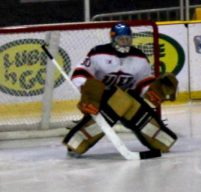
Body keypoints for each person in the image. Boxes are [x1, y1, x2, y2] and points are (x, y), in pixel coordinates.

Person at [64, 22, 178, 157]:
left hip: (128, 99)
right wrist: (88, 94)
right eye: (121, 39)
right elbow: (81, 73)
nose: (124, 43)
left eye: (127, 39)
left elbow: (142, 82)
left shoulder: (139, 57)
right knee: (119, 101)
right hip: (102, 99)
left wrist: (152, 91)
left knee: (145, 122)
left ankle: (161, 141)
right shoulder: (98, 53)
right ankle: (77, 142)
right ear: (113, 39)